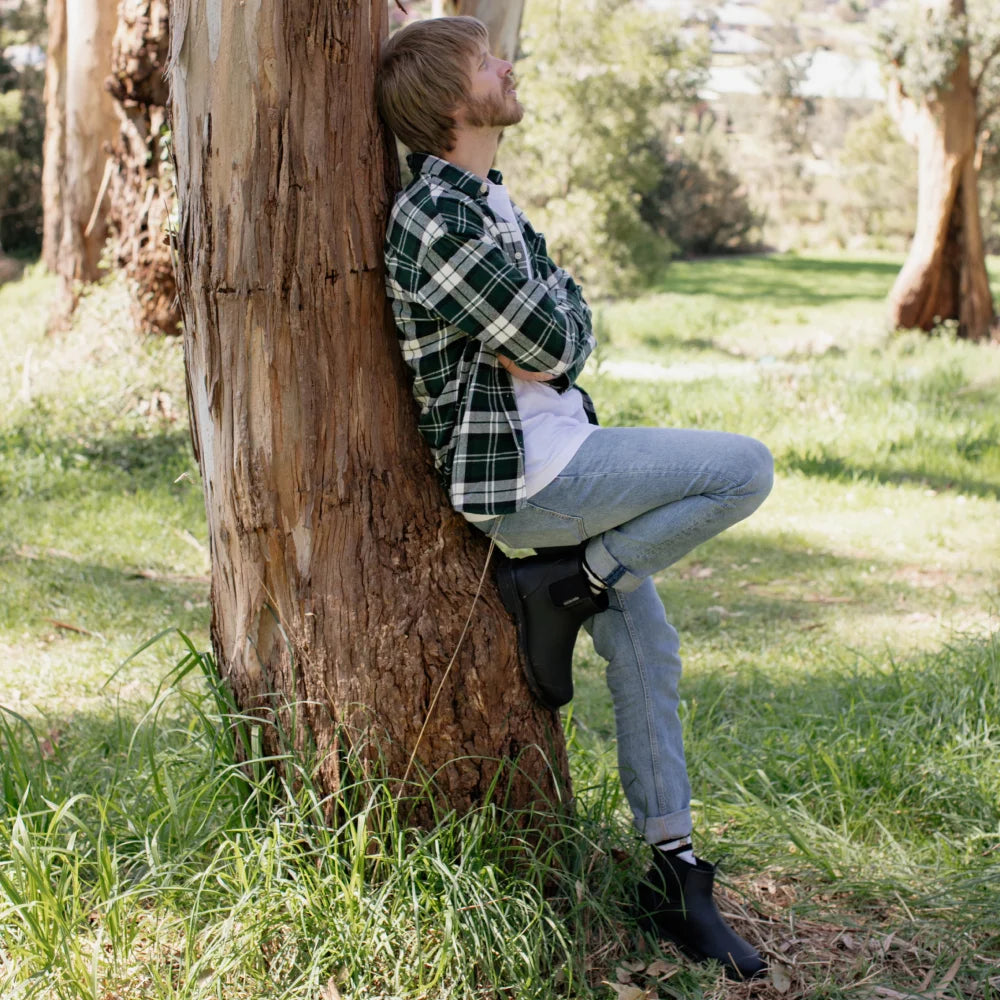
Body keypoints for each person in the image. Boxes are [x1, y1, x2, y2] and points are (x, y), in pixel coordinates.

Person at [376, 16, 773, 981]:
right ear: (449, 101)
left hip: (563, 454)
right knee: (743, 468)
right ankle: (572, 582)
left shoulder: (491, 202)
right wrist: (547, 332)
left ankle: (674, 873)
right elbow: (555, 342)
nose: (505, 65)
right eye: (486, 61)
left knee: (649, 654)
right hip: (526, 476)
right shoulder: (433, 217)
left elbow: (567, 324)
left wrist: (549, 330)